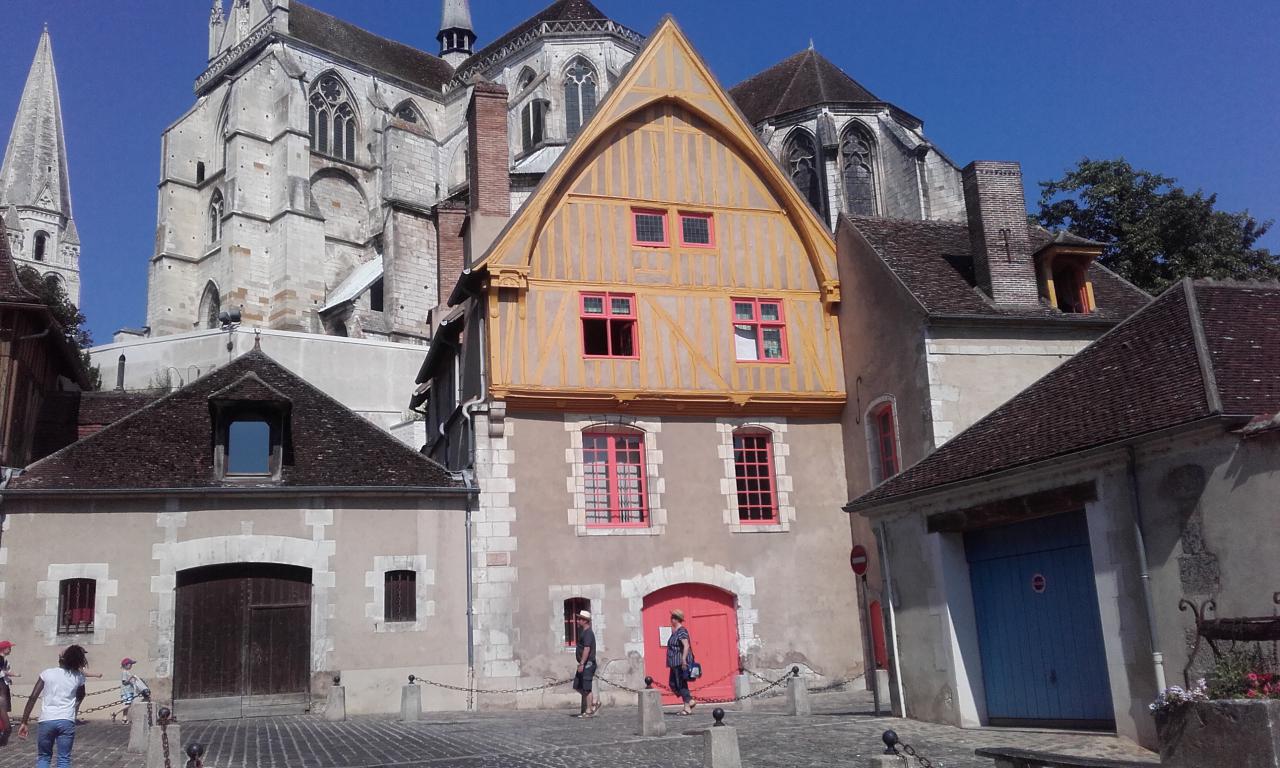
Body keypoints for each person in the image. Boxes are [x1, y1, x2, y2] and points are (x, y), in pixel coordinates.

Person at [18, 644, 87, 768]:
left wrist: (24, 721)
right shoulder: (78, 676)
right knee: (64, 759)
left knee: (44, 757)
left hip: (47, 719)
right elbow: (81, 695)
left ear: (60, 659)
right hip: (67, 720)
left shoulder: (47, 673)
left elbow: (33, 697)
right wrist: (74, 709)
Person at [666, 609, 696, 715]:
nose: (671, 620)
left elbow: (686, 645)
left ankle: (687, 705)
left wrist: (683, 660)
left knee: (681, 684)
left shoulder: (682, 631)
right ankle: (689, 701)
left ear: (676, 619)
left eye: (672, 618)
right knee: (673, 684)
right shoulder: (676, 632)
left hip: (679, 662)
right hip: (674, 663)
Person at [571, 610, 600, 718]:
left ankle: (589, 710)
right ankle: (593, 702)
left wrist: (582, 663)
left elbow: (587, 649)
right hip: (583, 664)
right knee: (577, 686)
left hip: (587, 664)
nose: (578, 621)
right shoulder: (584, 632)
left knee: (587, 688)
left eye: (580, 619)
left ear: (585, 621)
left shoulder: (588, 633)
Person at [113, 659, 148, 724]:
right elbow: (124, 682)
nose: (131, 665)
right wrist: (131, 678)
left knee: (126, 705)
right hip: (126, 691)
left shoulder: (127, 672)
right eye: (130, 664)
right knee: (128, 705)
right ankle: (115, 713)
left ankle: (124, 719)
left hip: (128, 690)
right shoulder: (124, 672)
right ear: (126, 665)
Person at [0, 640, 19, 747]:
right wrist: (12, 674)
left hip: (3, 687)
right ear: (4, 649)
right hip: (1, 689)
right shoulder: (0, 658)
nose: (10, 649)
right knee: (7, 727)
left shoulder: (3, 659)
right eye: (9, 647)